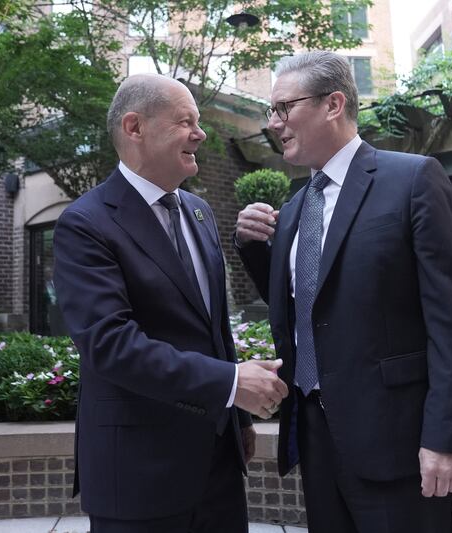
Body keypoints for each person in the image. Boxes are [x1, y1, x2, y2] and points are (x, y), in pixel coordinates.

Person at [235, 51, 452, 533]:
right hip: (316, 438)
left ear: (333, 104)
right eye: (271, 111)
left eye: (284, 108)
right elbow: (308, 304)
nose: (274, 123)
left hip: (399, 442)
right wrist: (252, 247)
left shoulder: (412, 179)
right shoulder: (295, 204)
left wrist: (446, 438)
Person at [53, 73, 288, 533]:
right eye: (186, 122)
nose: (200, 134)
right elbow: (110, 344)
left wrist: (237, 416)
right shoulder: (84, 223)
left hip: (219, 465)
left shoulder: (199, 213)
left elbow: (214, 330)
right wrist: (228, 382)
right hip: (138, 475)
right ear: (135, 127)